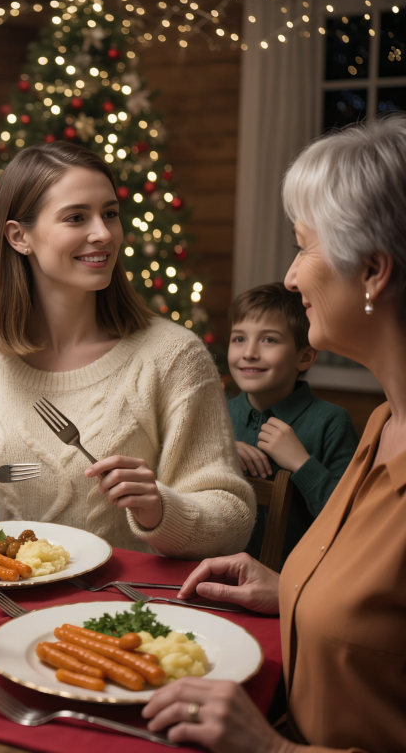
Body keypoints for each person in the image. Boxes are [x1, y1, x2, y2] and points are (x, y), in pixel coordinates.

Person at [142, 115, 406, 752]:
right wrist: (289, 587)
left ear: (372, 271)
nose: (289, 277)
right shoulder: (382, 425)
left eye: (302, 246)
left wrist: (269, 749)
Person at [0, 142, 255, 557]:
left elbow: (234, 519)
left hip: (128, 610)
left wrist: (159, 507)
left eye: (110, 214)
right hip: (12, 600)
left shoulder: (174, 356)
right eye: (76, 217)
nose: (103, 233)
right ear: (20, 237)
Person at [227, 283, 358, 564]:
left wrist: (301, 463)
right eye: (239, 339)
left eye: (269, 340)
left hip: (290, 588)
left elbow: (351, 524)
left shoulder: (331, 422)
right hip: (210, 577)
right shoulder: (216, 416)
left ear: (305, 356)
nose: (249, 352)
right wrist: (218, 453)